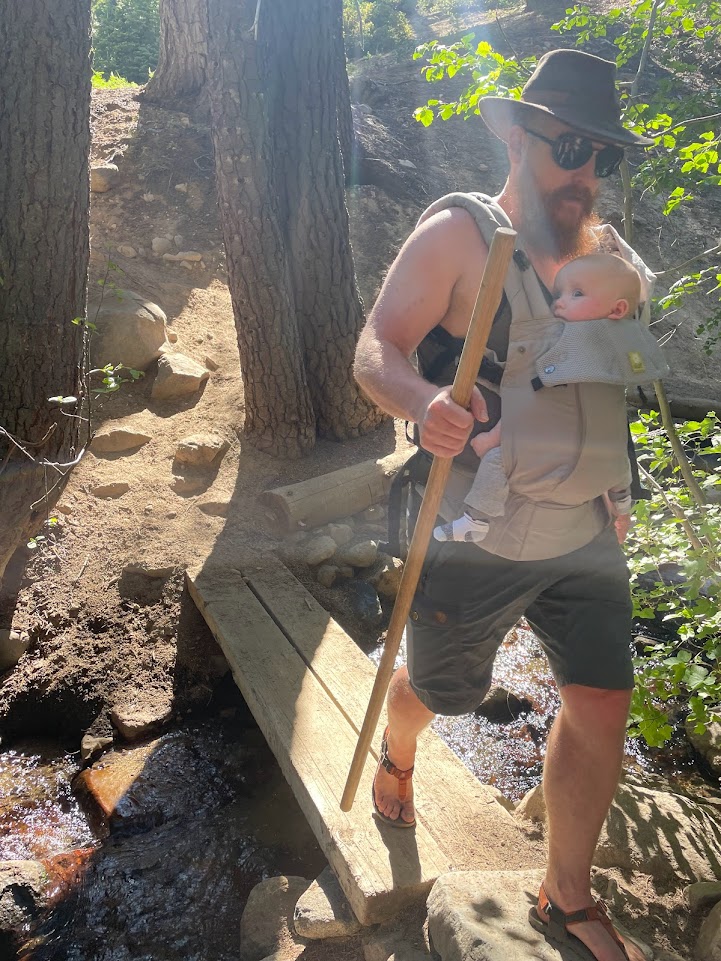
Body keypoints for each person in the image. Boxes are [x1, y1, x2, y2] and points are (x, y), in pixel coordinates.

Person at [354, 48, 658, 961]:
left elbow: (607, 380)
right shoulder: (460, 234)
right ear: (518, 137)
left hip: (585, 530)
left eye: (599, 153)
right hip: (476, 528)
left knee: (600, 699)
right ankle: (398, 746)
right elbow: (377, 346)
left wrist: (616, 477)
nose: (585, 171)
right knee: (444, 690)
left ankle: (567, 894)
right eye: (568, 146)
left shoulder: (603, 259)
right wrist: (422, 406)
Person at [433, 252, 645, 545]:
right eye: (560, 294)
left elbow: (529, 406)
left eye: (577, 294)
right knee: (614, 445)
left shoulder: (567, 348)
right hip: (602, 465)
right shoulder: (621, 348)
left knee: (497, 459)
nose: (559, 302)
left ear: (617, 309)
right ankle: (623, 499)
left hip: (553, 464)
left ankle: (475, 520)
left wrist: (493, 437)